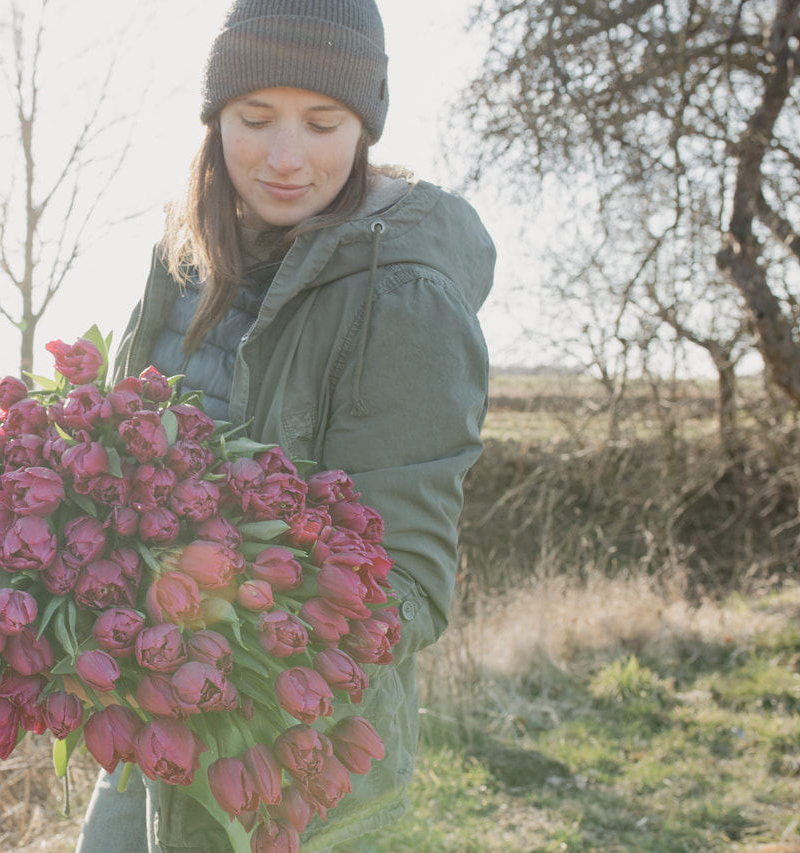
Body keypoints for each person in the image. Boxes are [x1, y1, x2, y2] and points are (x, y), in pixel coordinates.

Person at [76, 0, 494, 850]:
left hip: (290, 762)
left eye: (324, 122)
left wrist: (223, 630)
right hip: (150, 723)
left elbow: (409, 587)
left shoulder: (404, 295)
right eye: (256, 117)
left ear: (366, 124)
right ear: (215, 118)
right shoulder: (185, 253)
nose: (287, 157)